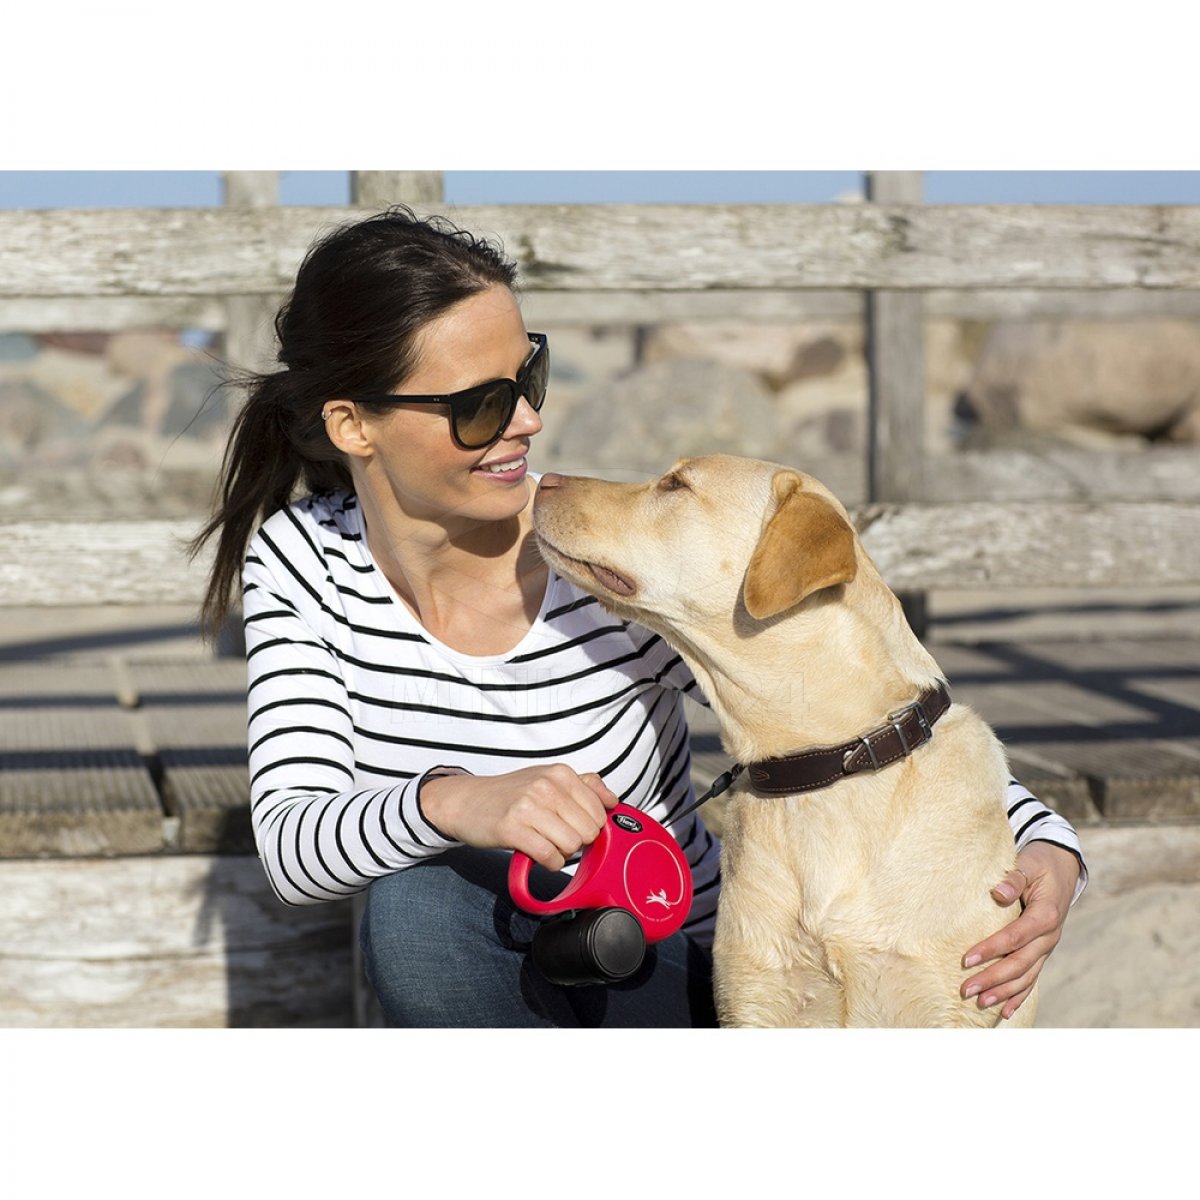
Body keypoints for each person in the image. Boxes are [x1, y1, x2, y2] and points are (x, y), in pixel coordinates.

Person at [192, 206, 1087, 1028]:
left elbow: (838, 709)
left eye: (529, 376)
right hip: (485, 975)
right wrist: (461, 801)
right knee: (419, 906)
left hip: (672, 976)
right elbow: (292, 846)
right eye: (479, 405)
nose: (527, 421)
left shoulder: (602, 557)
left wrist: (1051, 849)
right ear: (354, 426)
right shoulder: (304, 562)